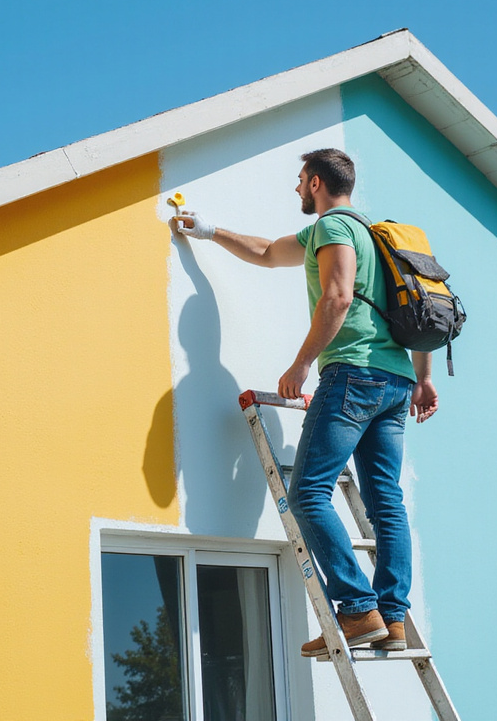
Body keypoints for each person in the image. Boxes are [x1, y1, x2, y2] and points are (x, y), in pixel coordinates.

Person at [169, 148, 438, 656]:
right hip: (396, 380)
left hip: (353, 375)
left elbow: (336, 297)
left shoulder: (333, 228)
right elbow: (269, 251)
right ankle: (394, 619)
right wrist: (209, 230)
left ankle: (358, 611)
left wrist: (300, 363)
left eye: (299, 181)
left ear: (315, 183)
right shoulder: (379, 238)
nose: (295, 189)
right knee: (386, 503)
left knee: (309, 492)